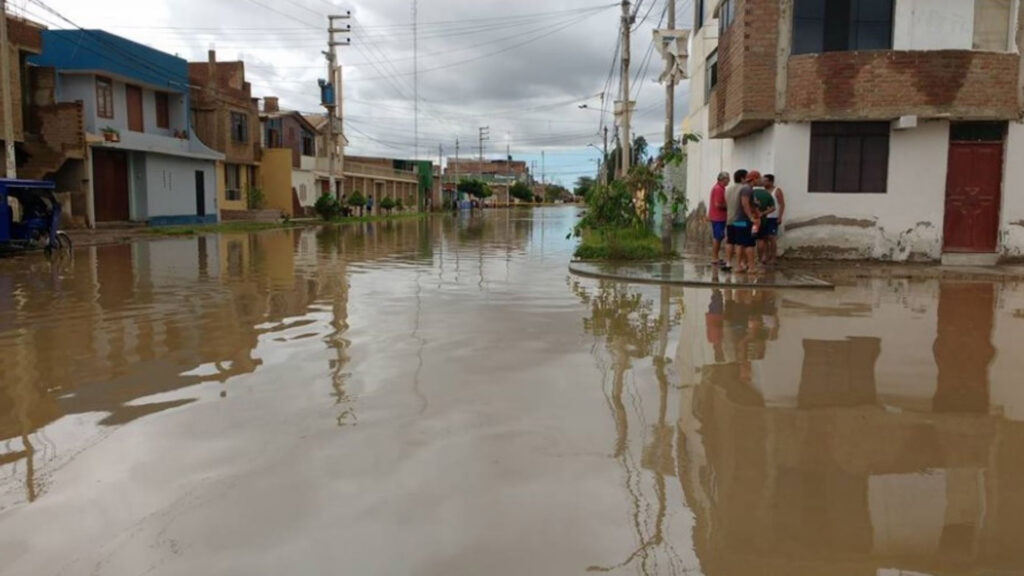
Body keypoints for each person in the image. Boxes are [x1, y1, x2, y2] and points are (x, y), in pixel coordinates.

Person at [732, 170, 761, 273]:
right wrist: (751, 218)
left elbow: (750, 204)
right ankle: (752, 267)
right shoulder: (747, 189)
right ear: (754, 179)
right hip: (744, 220)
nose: (760, 180)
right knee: (749, 244)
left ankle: (738, 266)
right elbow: (745, 204)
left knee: (739, 243)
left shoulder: (745, 189)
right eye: (759, 178)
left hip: (738, 220)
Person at [723, 169, 748, 272]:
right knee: (740, 242)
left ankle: (728, 262)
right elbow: (744, 204)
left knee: (730, 241)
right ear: (742, 178)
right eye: (747, 177)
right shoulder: (744, 189)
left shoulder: (728, 189)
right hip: (740, 219)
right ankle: (740, 264)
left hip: (729, 219)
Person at [707, 172, 730, 267]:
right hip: (718, 217)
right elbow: (718, 204)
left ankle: (715, 256)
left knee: (719, 237)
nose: (728, 181)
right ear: (722, 179)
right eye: (727, 179)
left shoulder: (719, 188)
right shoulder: (718, 189)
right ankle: (714, 258)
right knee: (718, 237)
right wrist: (729, 206)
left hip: (718, 217)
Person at [752, 176, 776, 264]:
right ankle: (760, 258)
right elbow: (773, 208)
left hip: (751, 220)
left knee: (748, 240)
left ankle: (748, 261)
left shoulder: (751, 192)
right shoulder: (767, 194)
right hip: (762, 220)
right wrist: (764, 213)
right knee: (761, 239)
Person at [764, 174, 785, 265]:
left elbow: (781, 204)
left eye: (765, 181)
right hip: (764, 217)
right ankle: (766, 256)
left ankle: (773, 257)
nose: (763, 182)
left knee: (772, 238)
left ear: (771, 181)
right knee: (765, 238)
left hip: (773, 217)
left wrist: (780, 216)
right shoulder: (764, 191)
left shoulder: (777, 191)